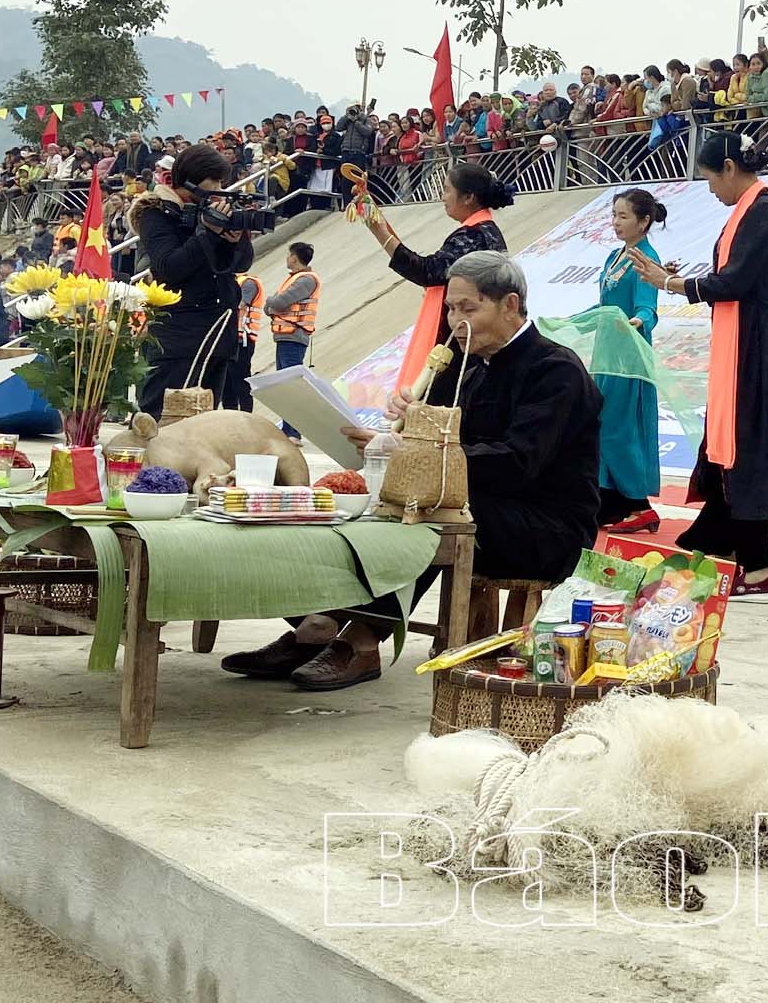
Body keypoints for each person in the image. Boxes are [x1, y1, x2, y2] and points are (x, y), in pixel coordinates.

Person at [235, 253, 603, 691]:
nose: (455, 320)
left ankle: (363, 638)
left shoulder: (555, 371)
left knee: (425, 509)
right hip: (474, 503)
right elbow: (429, 441)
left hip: (543, 523)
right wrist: (406, 424)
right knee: (367, 500)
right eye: (451, 307)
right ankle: (321, 621)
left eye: (469, 309)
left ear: (509, 305)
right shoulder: (461, 361)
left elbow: (516, 463)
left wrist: (412, 451)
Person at [630, 133, 768, 601]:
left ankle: (758, 570)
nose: (710, 191)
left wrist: (673, 283)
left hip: (757, 345)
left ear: (728, 166)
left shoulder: (762, 211)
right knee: (730, 443)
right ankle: (719, 545)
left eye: (708, 179)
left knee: (748, 447)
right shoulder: (750, 212)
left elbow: (736, 281)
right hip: (744, 341)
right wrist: (679, 280)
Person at [129, 144, 257, 419]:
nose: (220, 188)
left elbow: (239, 265)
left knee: (205, 423)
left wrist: (234, 240)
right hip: (178, 336)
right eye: (215, 180)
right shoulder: (157, 213)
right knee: (160, 420)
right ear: (192, 179)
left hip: (218, 332)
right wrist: (208, 233)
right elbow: (168, 268)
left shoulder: (211, 212)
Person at [370, 163, 512, 400]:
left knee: (438, 401)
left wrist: (379, 231)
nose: (442, 197)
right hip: (477, 334)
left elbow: (428, 271)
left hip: (464, 339)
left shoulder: (473, 234)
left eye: (447, 190)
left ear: (468, 197)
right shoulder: (484, 231)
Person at [595, 190, 667, 533]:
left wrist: (641, 320)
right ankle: (611, 501)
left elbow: (646, 303)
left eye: (623, 217)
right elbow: (606, 302)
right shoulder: (614, 256)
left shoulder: (646, 259)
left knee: (618, 428)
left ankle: (639, 504)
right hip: (607, 351)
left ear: (644, 221)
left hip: (628, 354)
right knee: (601, 424)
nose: (616, 223)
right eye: (614, 215)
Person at [262, 242, 321, 437]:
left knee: (290, 385)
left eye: (288, 255)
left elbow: (277, 302)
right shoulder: (295, 279)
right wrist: (273, 305)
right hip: (285, 336)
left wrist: (272, 303)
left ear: (294, 257)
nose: (287, 258)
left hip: (294, 337)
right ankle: (288, 429)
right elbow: (272, 307)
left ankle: (293, 431)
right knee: (284, 385)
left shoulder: (305, 280)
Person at [225, 268, 264, 412]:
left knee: (240, 380)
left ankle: (246, 414)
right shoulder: (233, 283)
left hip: (243, 339)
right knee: (227, 383)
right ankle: (232, 415)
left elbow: (240, 305)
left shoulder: (248, 283)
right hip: (230, 339)